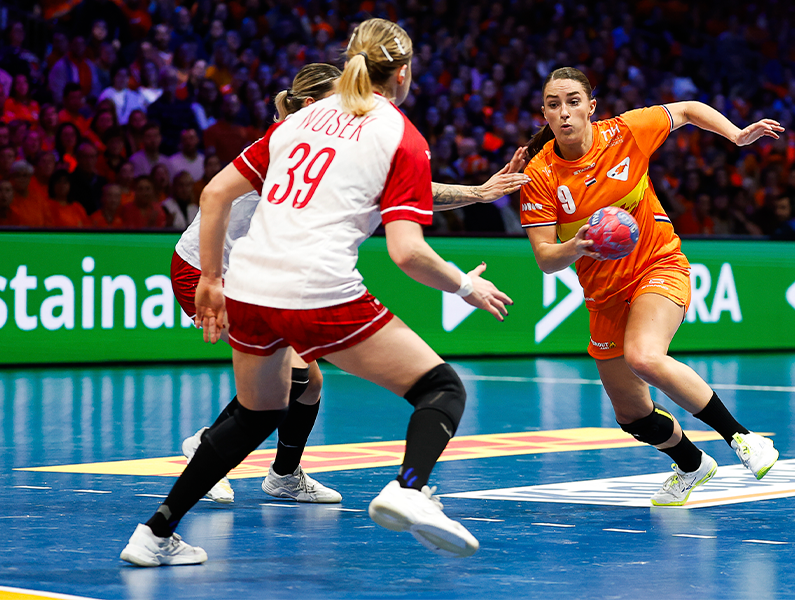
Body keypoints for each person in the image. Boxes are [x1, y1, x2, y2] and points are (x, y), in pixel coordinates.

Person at [120, 19, 517, 567]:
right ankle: (409, 488)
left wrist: (212, 279)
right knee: (441, 389)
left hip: (247, 284)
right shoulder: (400, 135)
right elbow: (407, 252)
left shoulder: (300, 120)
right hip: (314, 288)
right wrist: (466, 284)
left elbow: (212, 194)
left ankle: (155, 533)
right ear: (403, 73)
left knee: (259, 411)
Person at [171, 63, 530, 507]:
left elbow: (393, 187)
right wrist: (211, 279)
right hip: (207, 271)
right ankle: (205, 445)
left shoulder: (322, 140)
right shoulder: (289, 143)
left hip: (260, 274)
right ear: (311, 104)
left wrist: (476, 193)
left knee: (310, 382)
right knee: (289, 379)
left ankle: (284, 475)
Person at [520, 67, 781, 507]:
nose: (563, 112)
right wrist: (578, 245)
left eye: (573, 102)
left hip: (657, 265)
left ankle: (742, 437)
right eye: (553, 104)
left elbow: (689, 109)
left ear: (590, 107)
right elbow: (546, 259)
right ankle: (692, 465)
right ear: (544, 113)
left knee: (643, 356)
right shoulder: (541, 174)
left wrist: (736, 136)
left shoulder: (625, 133)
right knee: (632, 414)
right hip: (604, 295)